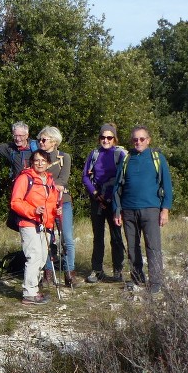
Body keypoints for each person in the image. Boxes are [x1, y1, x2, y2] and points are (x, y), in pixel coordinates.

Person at [113, 125, 173, 294]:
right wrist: (117, 209)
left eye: (141, 139)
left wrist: (165, 209)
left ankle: (156, 281)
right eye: (135, 139)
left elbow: (166, 185)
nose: (138, 142)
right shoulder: (126, 159)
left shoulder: (157, 158)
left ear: (148, 140)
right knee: (132, 246)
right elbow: (117, 187)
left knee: (153, 246)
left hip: (151, 209)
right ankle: (137, 278)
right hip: (128, 209)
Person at [10, 149, 60, 305]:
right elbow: (15, 202)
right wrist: (33, 211)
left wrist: (56, 211)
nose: (40, 163)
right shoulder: (25, 178)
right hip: (29, 222)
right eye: (37, 160)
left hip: (45, 224)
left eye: (43, 161)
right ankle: (29, 292)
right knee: (34, 255)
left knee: (43, 256)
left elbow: (51, 203)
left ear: (48, 163)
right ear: (31, 162)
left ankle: (35, 289)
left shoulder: (49, 180)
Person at [82, 123, 127, 283]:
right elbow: (85, 177)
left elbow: (124, 177)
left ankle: (118, 269)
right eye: (103, 137)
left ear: (114, 138)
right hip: (97, 200)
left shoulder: (120, 154)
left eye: (109, 137)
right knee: (98, 236)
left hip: (115, 201)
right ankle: (97, 269)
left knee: (116, 236)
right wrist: (96, 194)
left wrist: (112, 198)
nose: (106, 140)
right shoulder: (94, 154)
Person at [37, 126, 81, 287]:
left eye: (44, 140)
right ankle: (48, 273)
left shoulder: (64, 157)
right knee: (47, 238)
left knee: (67, 237)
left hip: (63, 201)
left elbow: (63, 180)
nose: (40, 142)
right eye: (39, 140)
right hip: (44, 203)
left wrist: (46, 186)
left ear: (54, 141)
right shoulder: (37, 158)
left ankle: (70, 273)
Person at [0, 117, 38, 190]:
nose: (17, 139)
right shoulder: (9, 148)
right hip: (18, 188)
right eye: (15, 135)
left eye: (20, 136)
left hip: (35, 186)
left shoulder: (36, 146)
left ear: (27, 135)